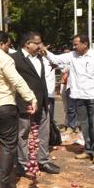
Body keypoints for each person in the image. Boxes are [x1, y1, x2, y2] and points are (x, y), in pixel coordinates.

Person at [43, 35, 94, 164]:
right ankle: (88, 149)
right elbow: (56, 59)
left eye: (76, 44)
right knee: (85, 125)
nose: (74, 47)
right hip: (79, 95)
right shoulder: (72, 56)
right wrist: (45, 51)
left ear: (85, 44)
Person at [0, 30, 37, 188]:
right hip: (5, 105)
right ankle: (2, 182)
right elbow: (16, 80)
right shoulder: (4, 58)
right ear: (1, 44)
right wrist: (30, 98)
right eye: (8, 45)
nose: (8, 48)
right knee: (7, 145)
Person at [12, 32, 60, 174]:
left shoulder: (40, 58)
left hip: (42, 101)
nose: (41, 45)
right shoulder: (14, 59)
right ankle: (23, 163)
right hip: (24, 103)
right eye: (37, 43)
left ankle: (43, 160)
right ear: (27, 44)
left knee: (43, 132)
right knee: (23, 133)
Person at [42, 42, 58, 120]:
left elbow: (63, 67)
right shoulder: (33, 59)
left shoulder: (51, 59)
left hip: (49, 92)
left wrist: (46, 52)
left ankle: (51, 131)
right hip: (38, 93)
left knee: (50, 116)